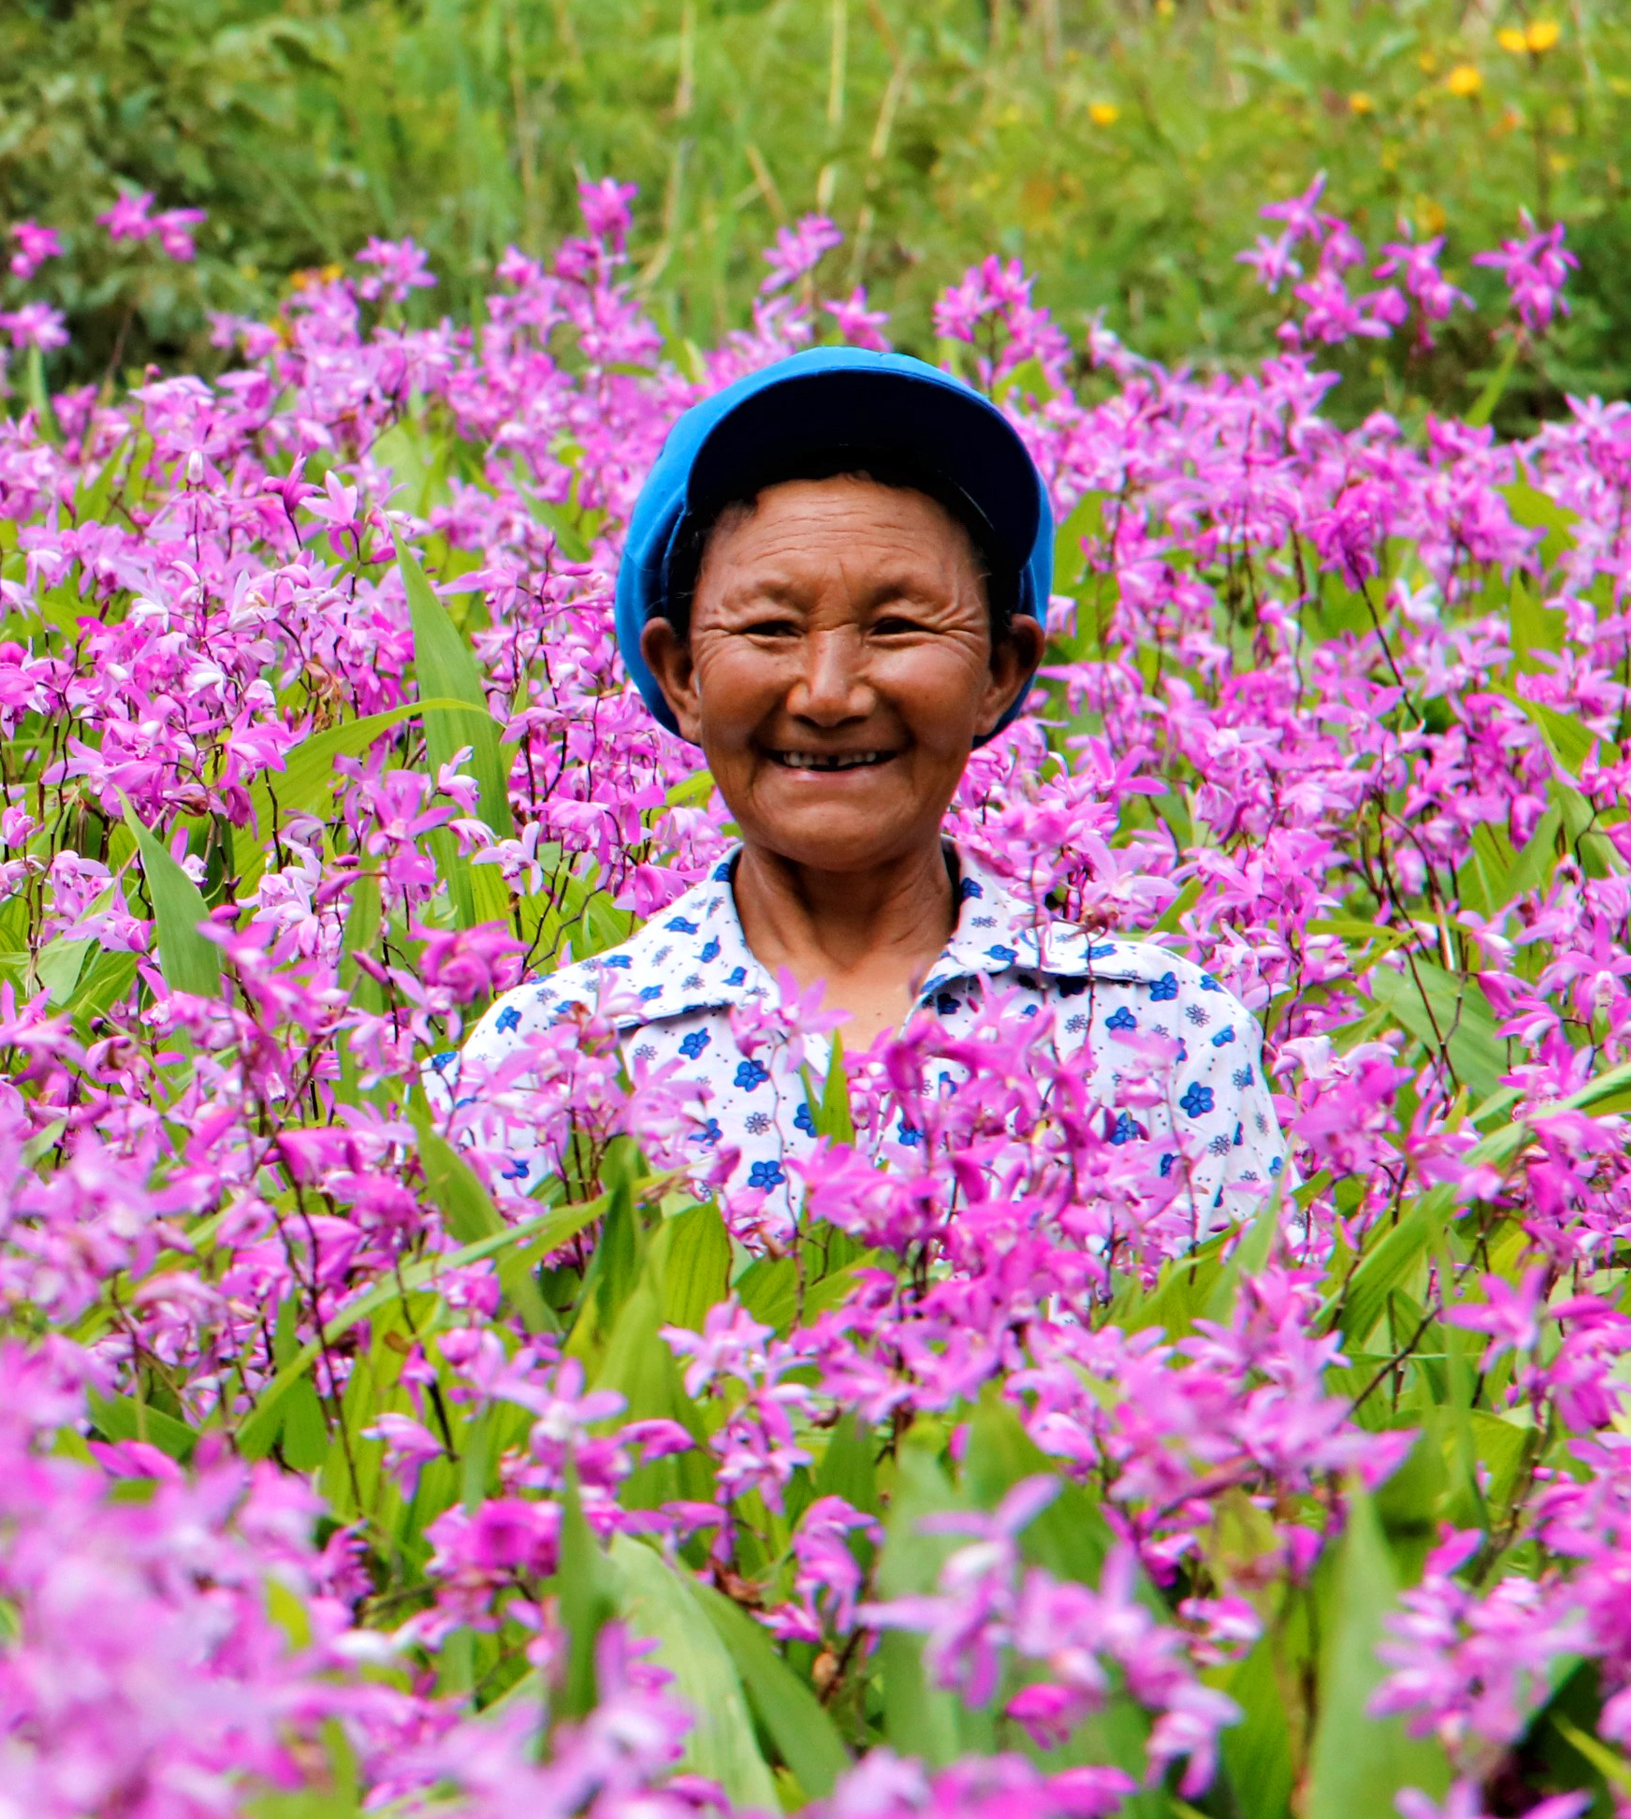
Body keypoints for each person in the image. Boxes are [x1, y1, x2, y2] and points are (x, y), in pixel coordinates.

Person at [453, 347, 1287, 1243]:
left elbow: (1269, 1361)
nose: (827, 692)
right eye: (770, 627)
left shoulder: (1173, 1030)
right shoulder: (554, 1056)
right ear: (682, 673)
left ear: (1001, 673)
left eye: (897, 627)